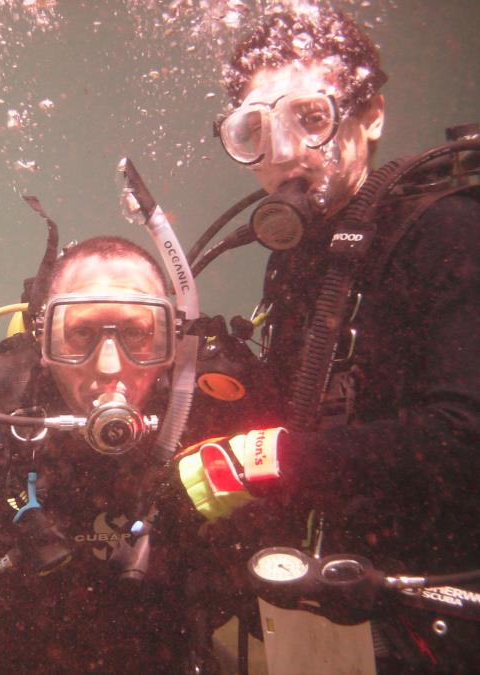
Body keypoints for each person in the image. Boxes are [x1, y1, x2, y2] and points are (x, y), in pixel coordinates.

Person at [173, 6, 479, 670]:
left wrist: (271, 458)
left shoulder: (448, 234)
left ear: (371, 115)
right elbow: (308, 413)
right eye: (254, 131)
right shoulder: (294, 255)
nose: (281, 154)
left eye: (309, 118)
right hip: (336, 595)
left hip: (439, 603)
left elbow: (462, 436)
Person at [0, 236, 224, 673]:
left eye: (138, 334)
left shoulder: (201, 413)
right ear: (43, 342)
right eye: (80, 333)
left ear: (173, 342)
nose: (108, 365)